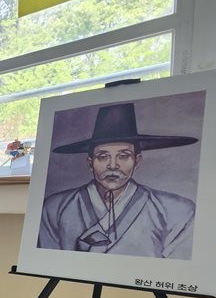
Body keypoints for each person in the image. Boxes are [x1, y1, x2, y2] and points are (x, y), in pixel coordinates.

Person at [38, 102, 198, 259]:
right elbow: (47, 262)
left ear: (137, 161)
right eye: (102, 156)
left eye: (123, 156)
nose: (113, 165)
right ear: (90, 163)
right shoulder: (55, 208)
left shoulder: (175, 211)